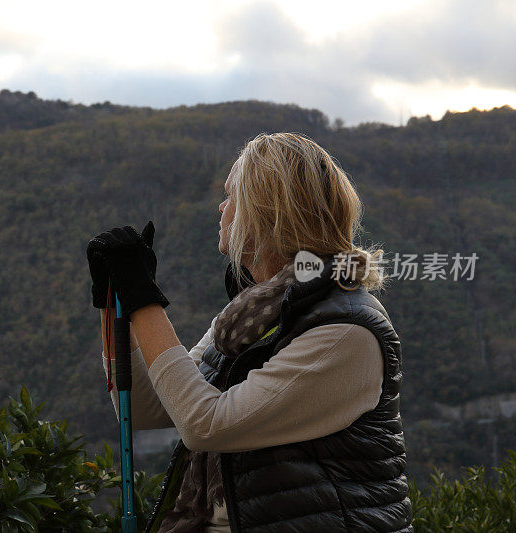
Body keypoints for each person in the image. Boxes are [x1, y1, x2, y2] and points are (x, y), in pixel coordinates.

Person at [86, 132, 412, 532]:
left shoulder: (345, 332)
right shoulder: (249, 318)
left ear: (266, 212)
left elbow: (205, 425)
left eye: (231, 196)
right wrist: (114, 302)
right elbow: (144, 408)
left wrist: (143, 301)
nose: (221, 209)